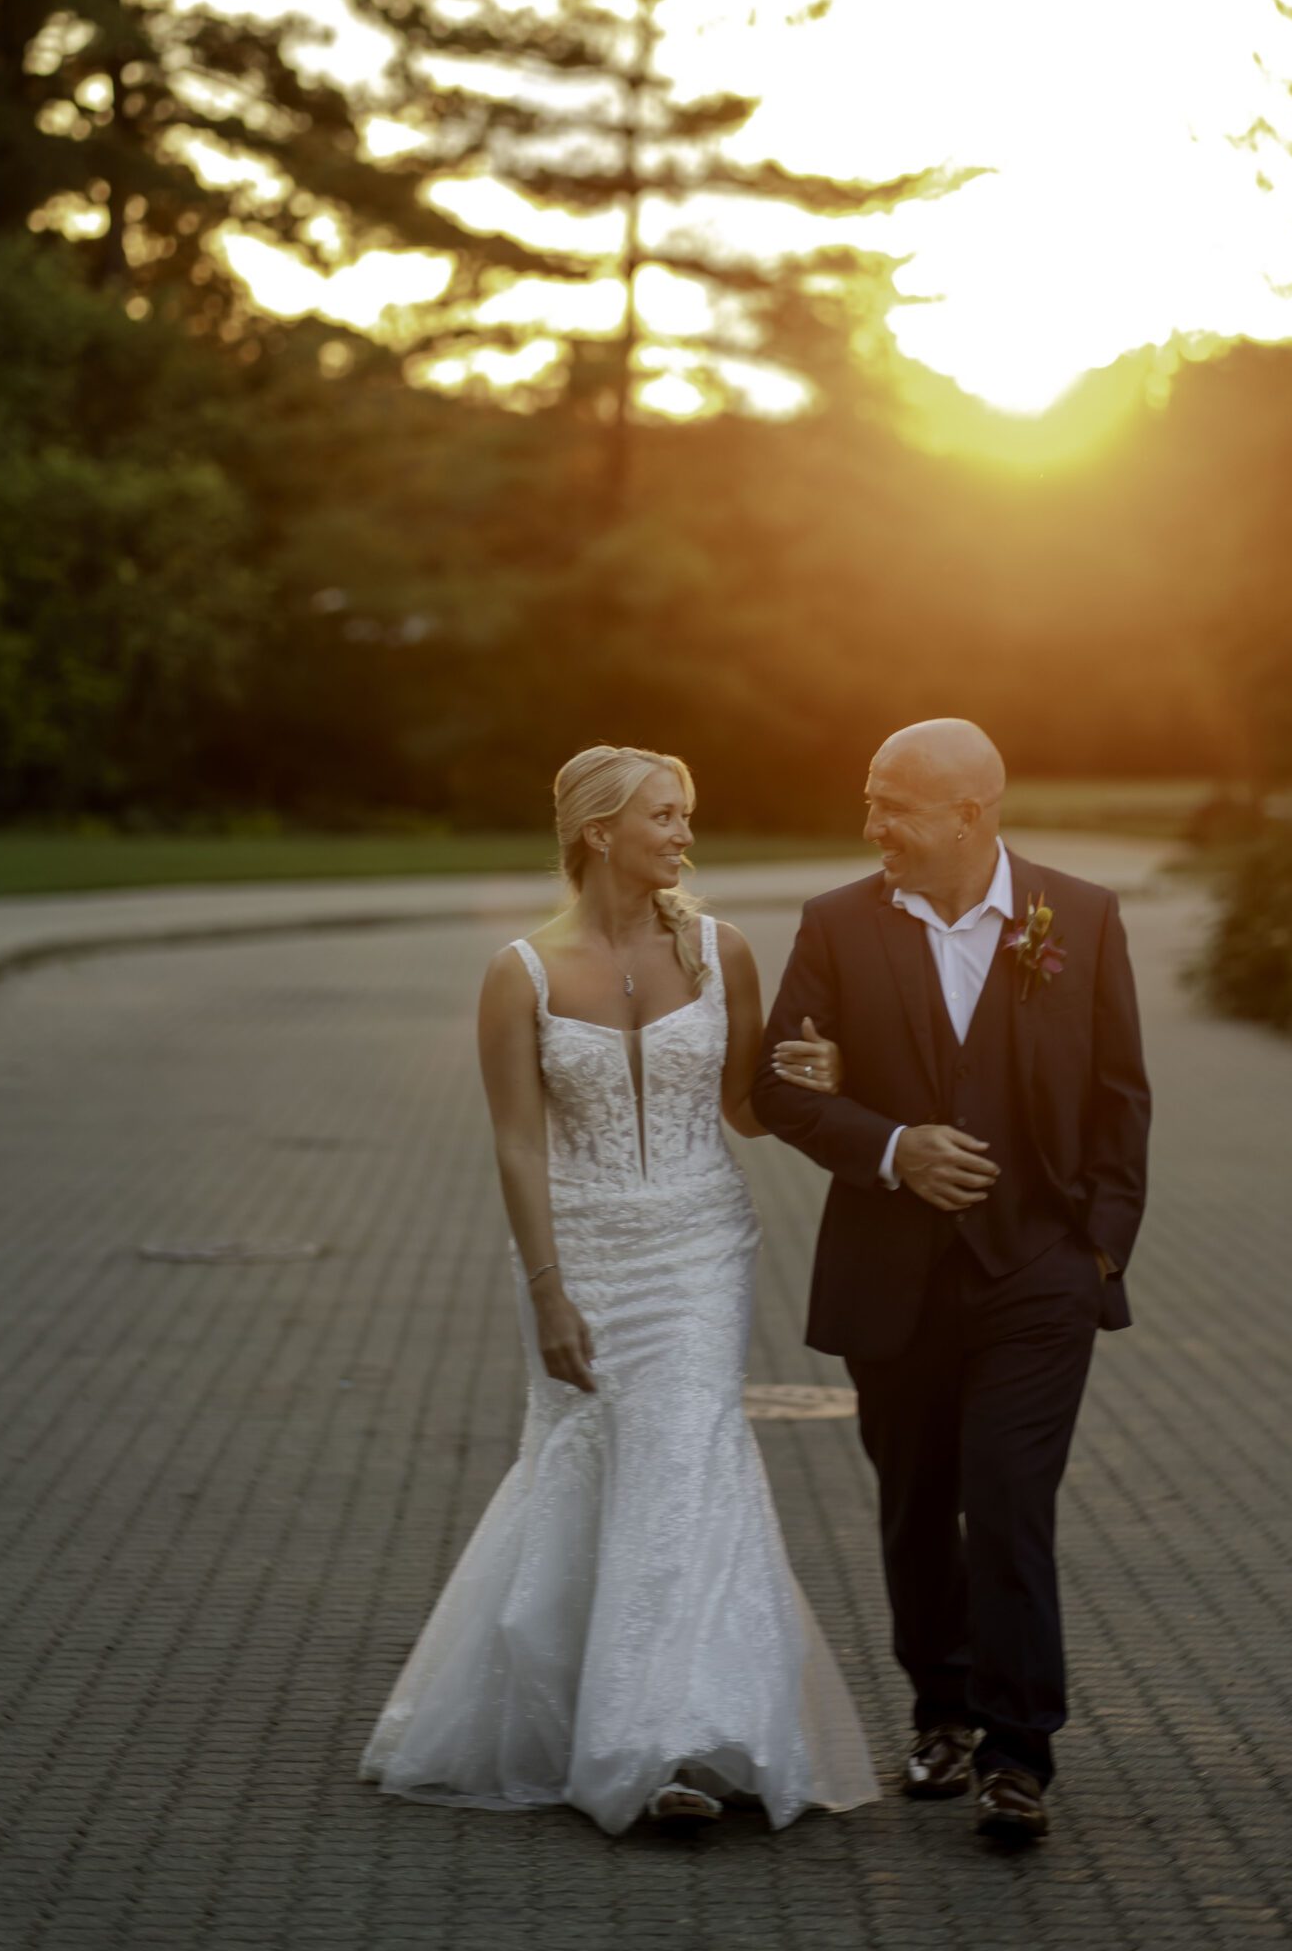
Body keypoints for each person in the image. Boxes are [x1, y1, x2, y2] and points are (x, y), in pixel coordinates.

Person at [359, 744, 876, 1835]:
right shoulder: (520, 972)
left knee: (685, 1462)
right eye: (665, 815)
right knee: (588, 1466)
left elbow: (743, 1107)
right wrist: (547, 1289)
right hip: (581, 1250)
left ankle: (668, 1744)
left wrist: (810, 1081)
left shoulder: (722, 950)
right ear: (599, 832)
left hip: (699, 1247)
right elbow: (516, 1146)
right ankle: (578, 1718)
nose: (687, 834)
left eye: (686, 815)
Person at [754, 719, 1151, 1843]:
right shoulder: (836, 924)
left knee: (1010, 1501)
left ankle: (1017, 1749)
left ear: (969, 815)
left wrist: (1100, 1249)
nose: (870, 824)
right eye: (869, 802)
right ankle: (940, 1715)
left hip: (1038, 1271)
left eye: (893, 804)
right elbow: (781, 1088)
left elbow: (1122, 1096)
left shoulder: (1078, 916)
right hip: (897, 1275)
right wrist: (889, 1146)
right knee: (917, 1503)